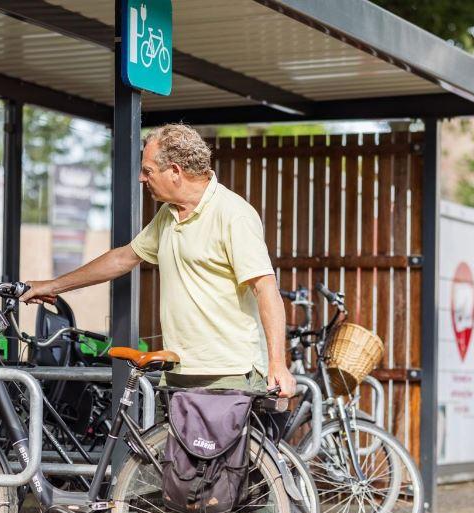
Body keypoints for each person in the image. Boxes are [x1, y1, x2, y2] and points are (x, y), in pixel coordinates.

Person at [21, 123, 296, 398]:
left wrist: (277, 364)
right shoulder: (168, 214)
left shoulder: (233, 214)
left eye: (148, 170)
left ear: (175, 171)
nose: (142, 178)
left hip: (229, 374)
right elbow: (122, 258)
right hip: (179, 369)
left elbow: (265, 289)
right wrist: (53, 286)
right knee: (165, 442)